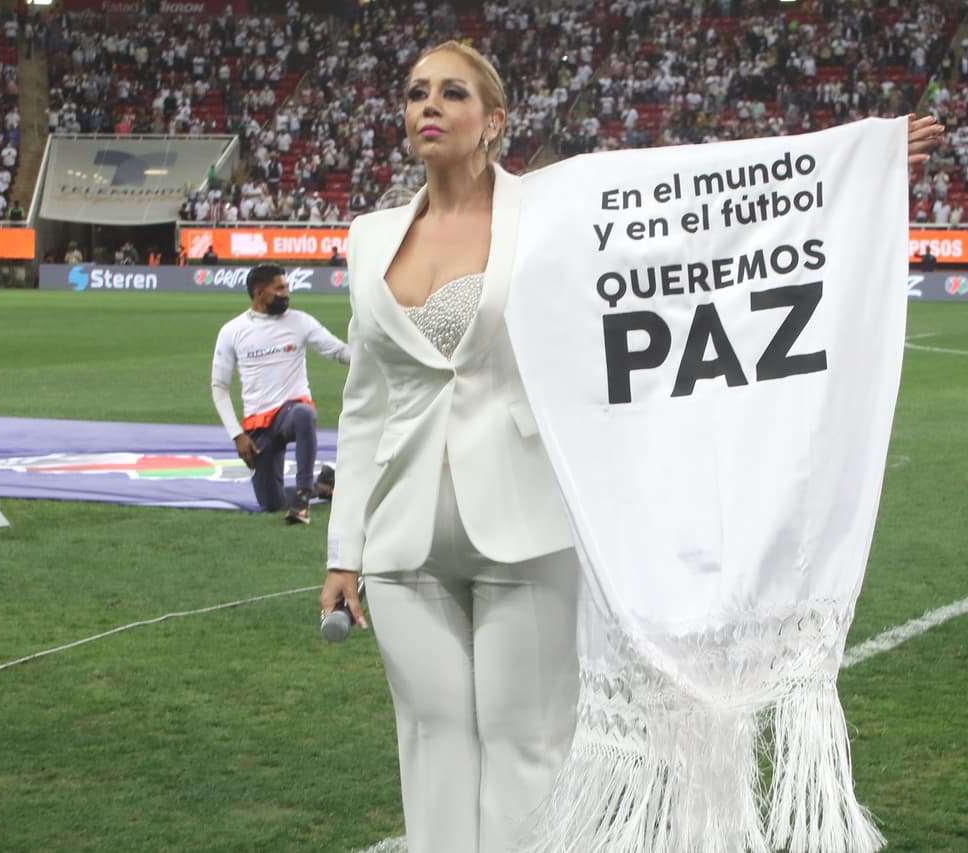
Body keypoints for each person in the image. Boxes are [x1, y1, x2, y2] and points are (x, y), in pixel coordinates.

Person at [317, 40, 946, 853]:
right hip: (402, 532)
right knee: (429, 739)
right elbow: (364, 400)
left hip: (529, 517)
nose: (428, 106)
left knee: (527, 744)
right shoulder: (369, 236)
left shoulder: (551, 209)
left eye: (452, 93)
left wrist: (850, 164)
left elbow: (692, 198)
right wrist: (344, 548)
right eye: (414, 92)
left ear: (494, 120)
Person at [211, 264, 349, 524]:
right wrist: (237, 434)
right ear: (260, 293)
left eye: (286, 287)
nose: (287, 293)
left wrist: (374, 359)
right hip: (258, 425)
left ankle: (302, 497)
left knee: (304, 414)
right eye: (280, 288)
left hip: (290, 412)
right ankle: (324, 486)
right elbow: (219, 386)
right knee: (271, 502)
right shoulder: (232, 331)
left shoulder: (300, 321)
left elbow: (339, 352)